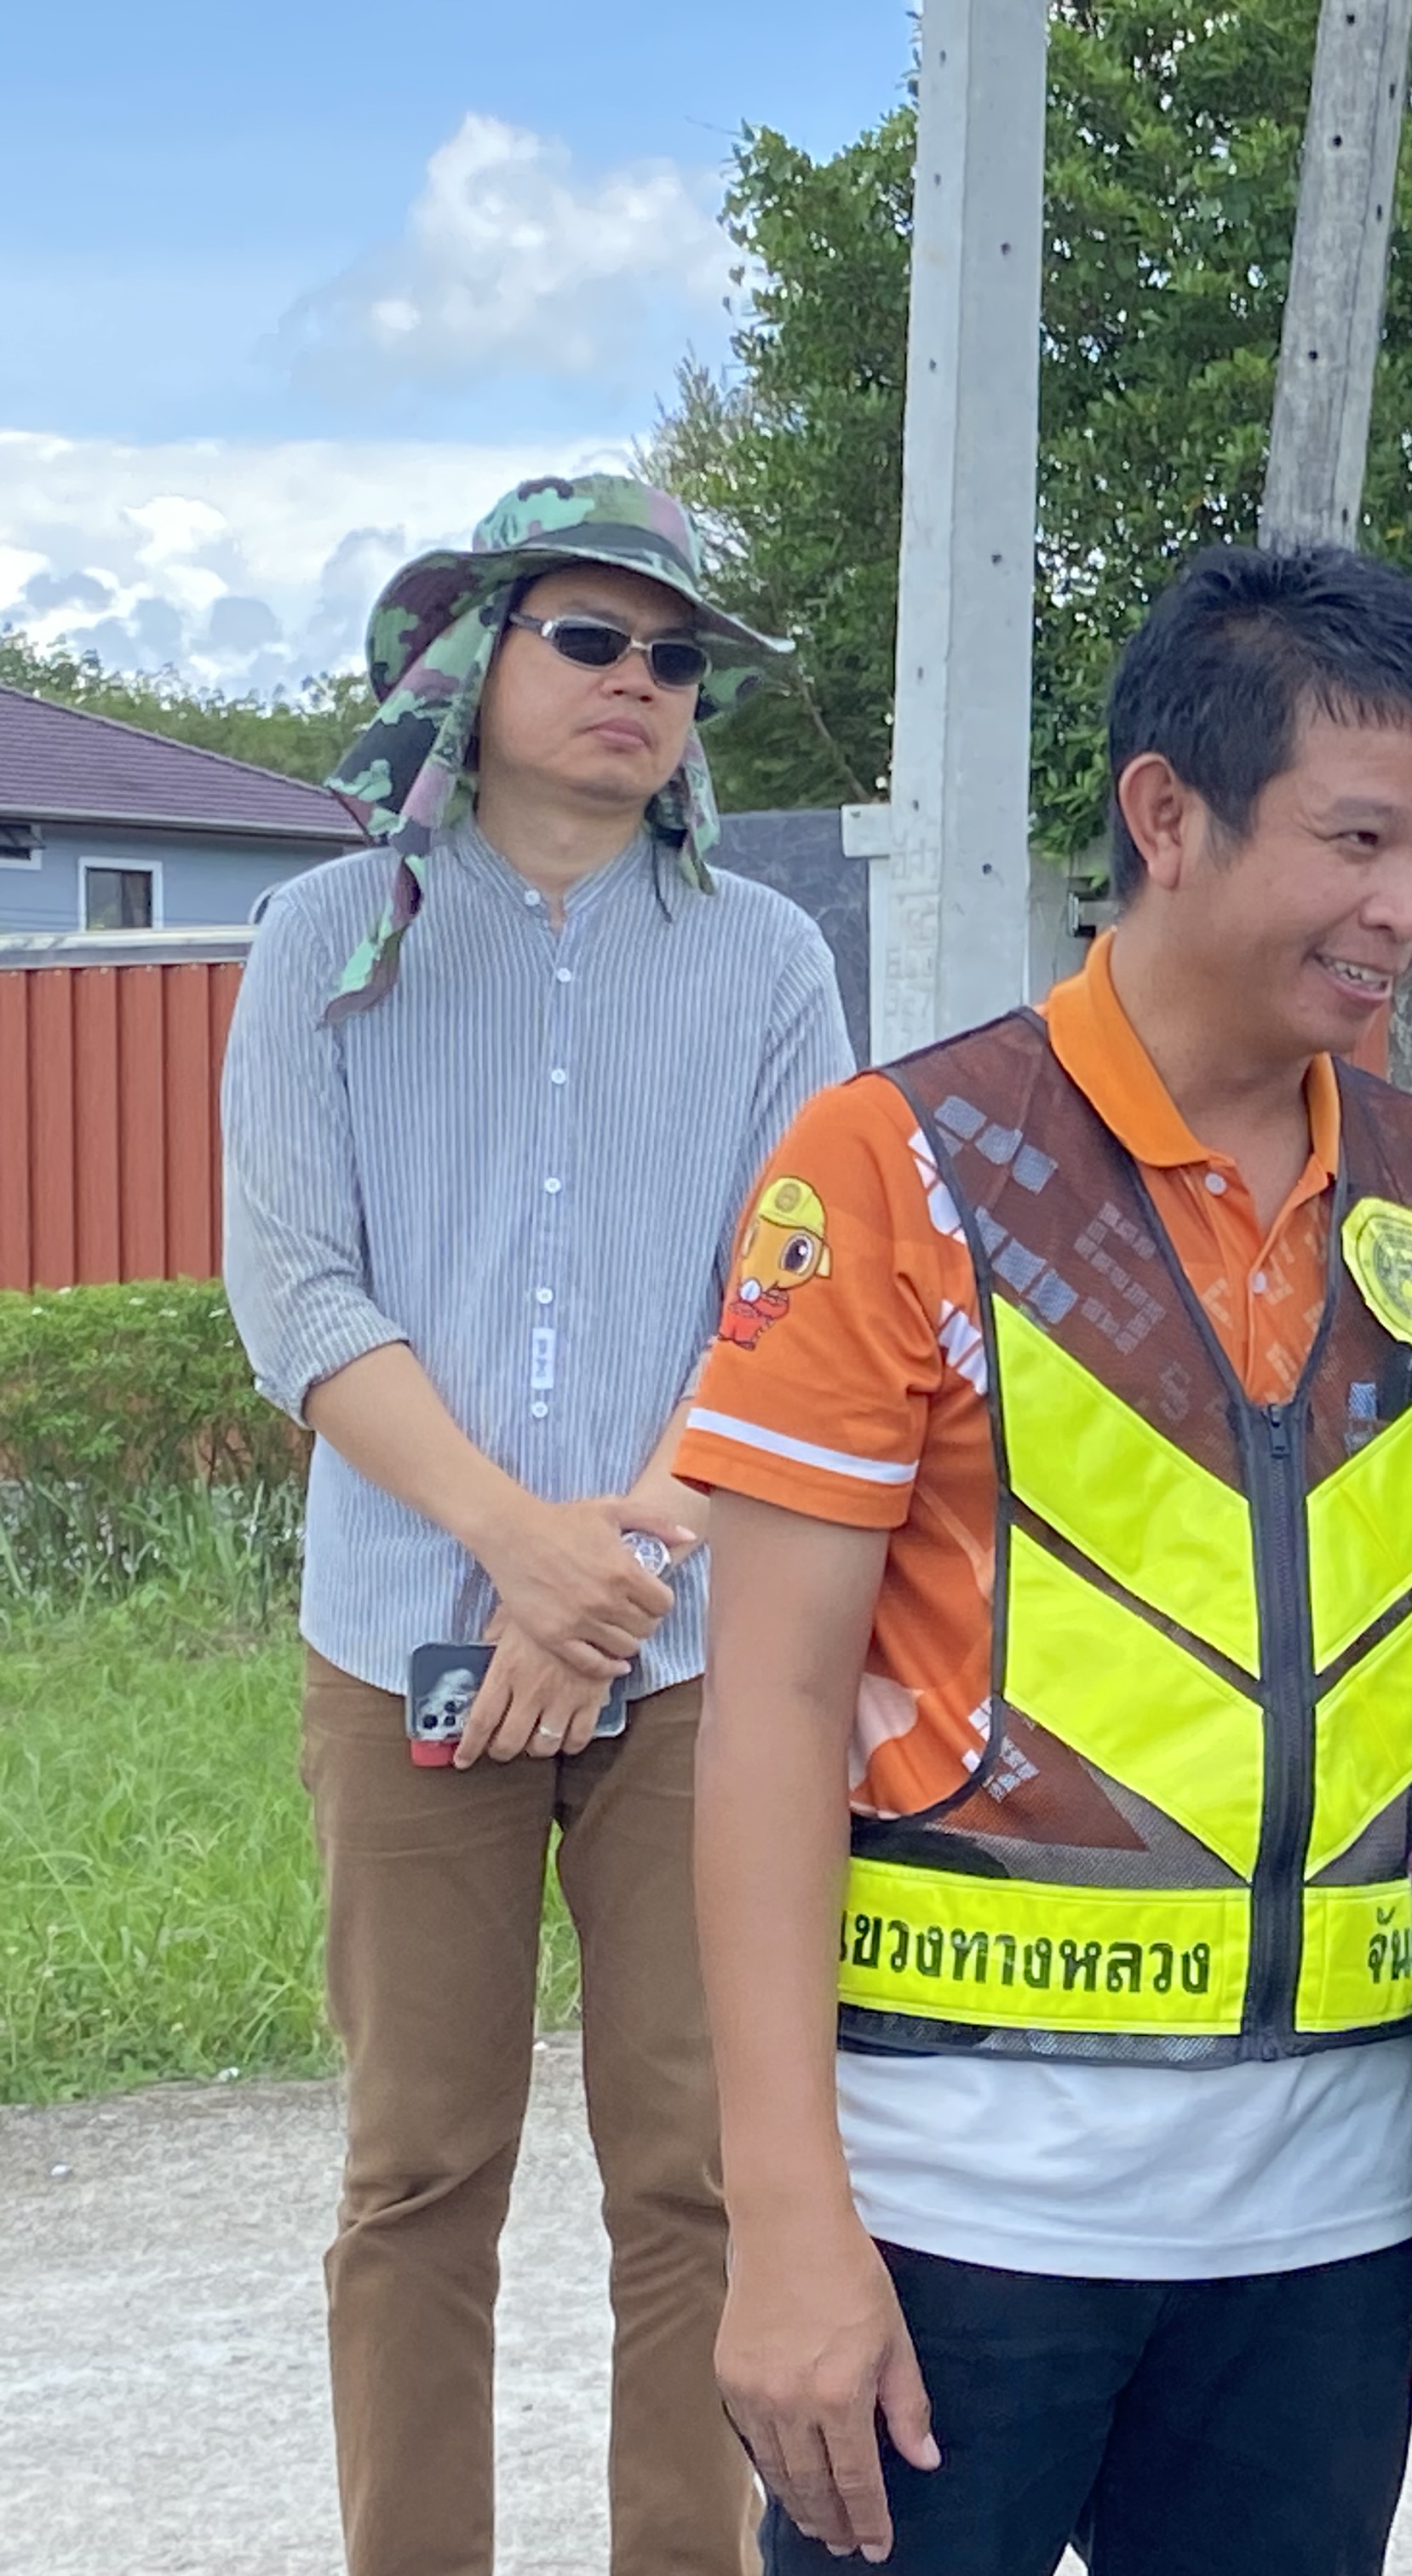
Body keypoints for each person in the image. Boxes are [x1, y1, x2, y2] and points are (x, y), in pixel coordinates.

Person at [680, 543, 1412, 2576]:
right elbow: (766, 1713)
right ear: (1167, 817)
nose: (1410, 909)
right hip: (954, 2224)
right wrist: (786, 2221)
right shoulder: (897, 1164)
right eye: (1357, 842)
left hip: (1326, 2232)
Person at [220, 472, 855, 2576]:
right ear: (473, 654)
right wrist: (518, 1547)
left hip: (692, 1660)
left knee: (697, 2172)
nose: (639, 683)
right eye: (592, 637)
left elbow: (792, 1298)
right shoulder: (325, 939)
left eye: (676, 659)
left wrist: (617, 1571)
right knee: (418, 2172)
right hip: (401, 1630)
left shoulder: (766, 957)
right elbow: (298, 1293)